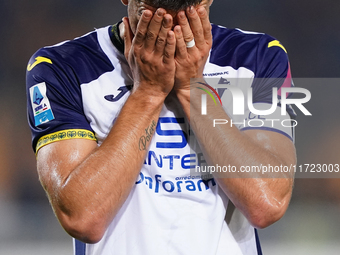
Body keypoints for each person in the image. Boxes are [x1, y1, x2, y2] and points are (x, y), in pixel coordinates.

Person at [26, 0, 296, 254]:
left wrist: (193, 89)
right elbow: (83, 217)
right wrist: (148, 93)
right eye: (155, 14)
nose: (168, 34)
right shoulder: (61, 66)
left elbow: (267, 203)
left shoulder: (258, 57)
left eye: (184, 14)